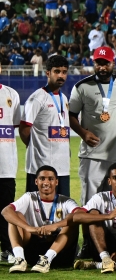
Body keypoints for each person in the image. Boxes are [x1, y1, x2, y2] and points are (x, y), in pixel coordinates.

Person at [69, 46, 116, 205]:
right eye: (98, 63)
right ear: (93, 63)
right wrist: (83, 133)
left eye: (106, 63)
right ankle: (88, 231)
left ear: (114, 63)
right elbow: (71, 116)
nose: (102, 67)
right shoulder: (81, 87)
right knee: (90, 203)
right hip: (93, 155)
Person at [4, 166, 81, 272]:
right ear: (36, 181)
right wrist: (29, 228)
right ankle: (20, 259)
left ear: (56, 182)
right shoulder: (29, 197)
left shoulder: (66, 201)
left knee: (72, 220)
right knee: (14, 215)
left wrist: (55, 226)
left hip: (59, 253)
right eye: (42, 178)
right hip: (34, 251)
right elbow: (5, 211)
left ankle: (47, 259)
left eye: (50, 179)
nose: (46, 182)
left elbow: (80, 215)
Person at [20, 55, 71, 195]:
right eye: (57, 71)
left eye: (64, 72)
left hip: (62, 168)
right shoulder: (37, 98)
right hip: (41, 168)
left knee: (61, 210)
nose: (61, 75)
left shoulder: (64, 98)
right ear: (48, 73)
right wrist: (35, 147)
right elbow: (24, 128)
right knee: (37, 211)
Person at [0, 71, 23, 262]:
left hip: (6, 164)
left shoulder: (11, 94)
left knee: (5, 210)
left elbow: (14, 124)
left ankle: (7, 249)